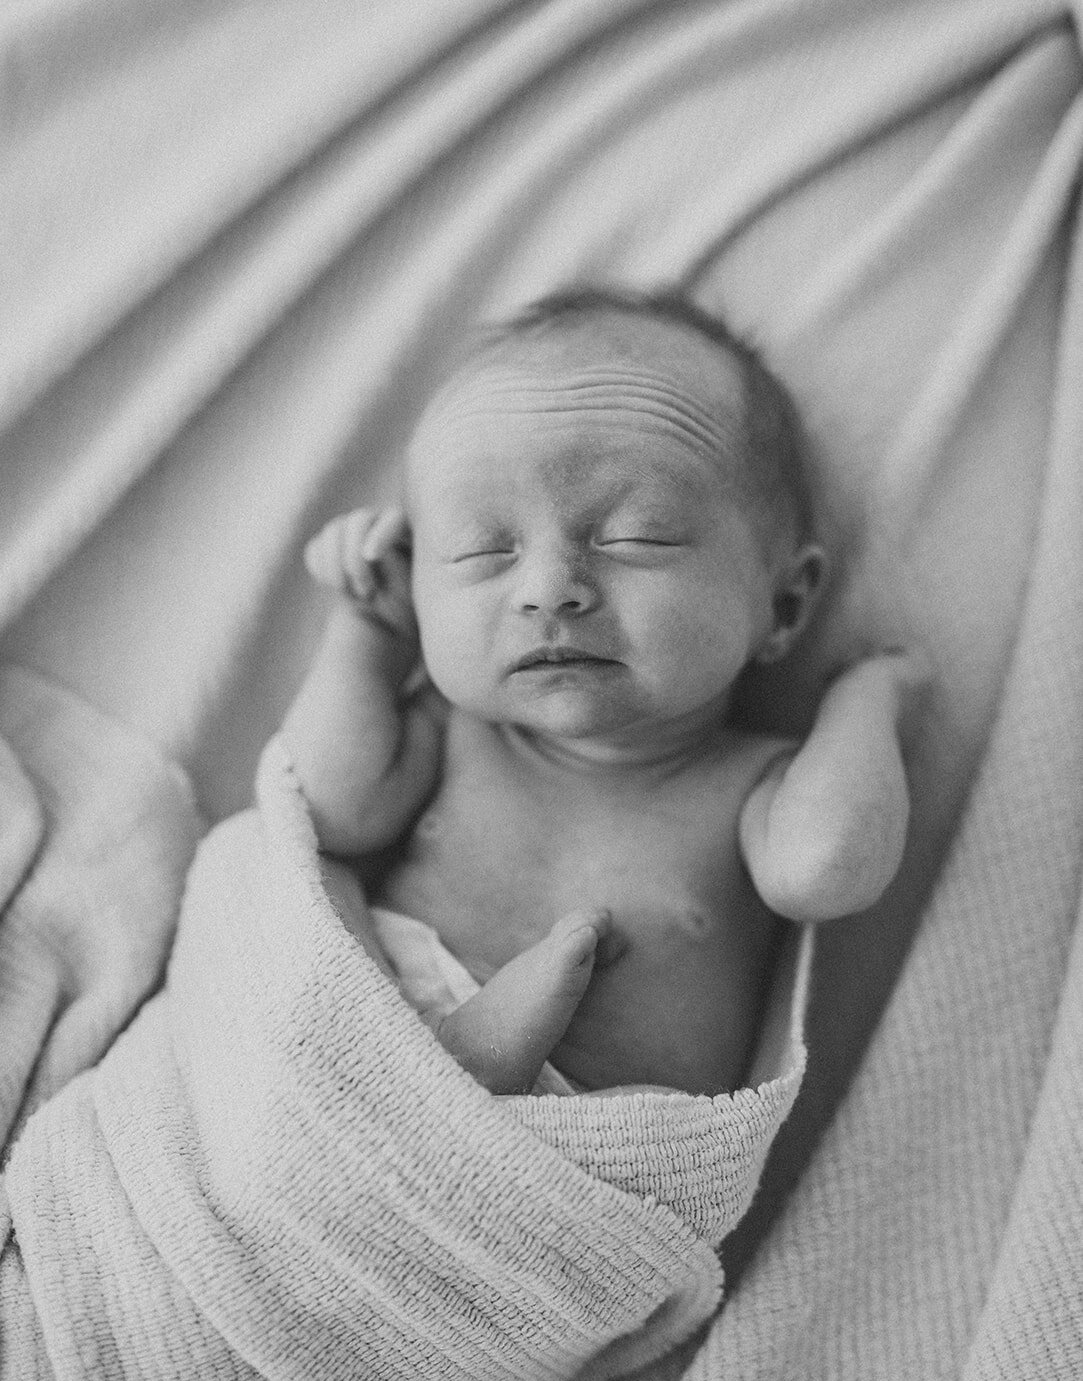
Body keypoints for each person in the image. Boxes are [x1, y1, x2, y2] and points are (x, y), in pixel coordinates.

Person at [281, 286, 914, 1098]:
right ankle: (446, 1072)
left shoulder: (750, 788)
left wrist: (867, 695)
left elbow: (827, 870)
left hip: (585, 1183)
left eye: (635, 535)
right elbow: (326, 809)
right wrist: (368, 634)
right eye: (481, 551)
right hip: (348, 1096)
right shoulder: (454, 732)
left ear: (783, 606)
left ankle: (463, 1076)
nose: (548, 590)